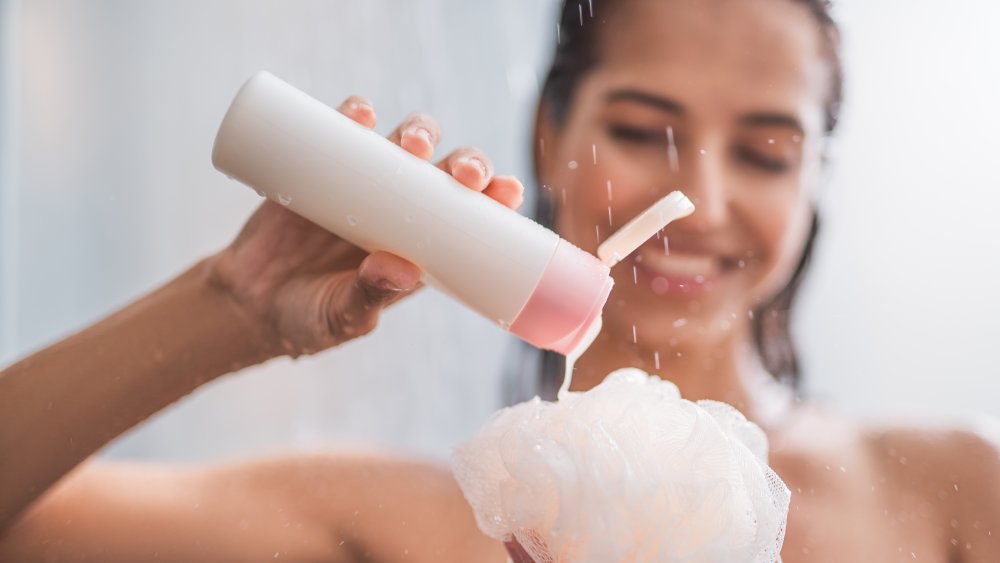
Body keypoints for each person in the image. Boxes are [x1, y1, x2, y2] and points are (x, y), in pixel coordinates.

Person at [1, 0, 998, 561]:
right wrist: (231, 308)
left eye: (766, 151)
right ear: (551, 135)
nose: (696, 197)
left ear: (817, 183)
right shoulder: (400, 520)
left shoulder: (948, 491)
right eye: (637, 128)